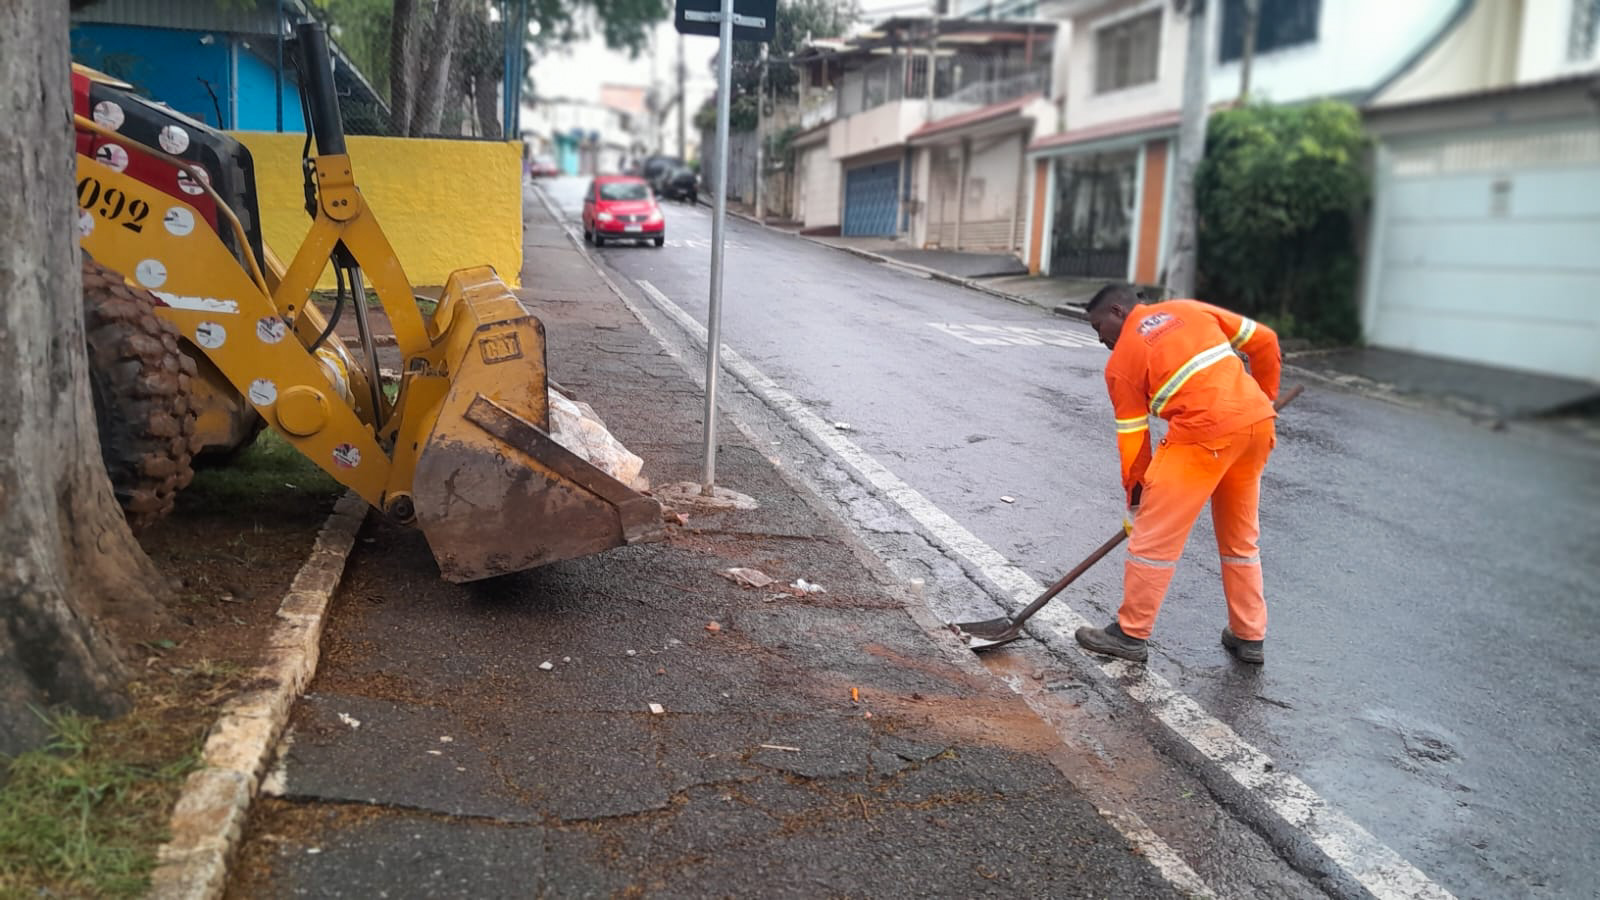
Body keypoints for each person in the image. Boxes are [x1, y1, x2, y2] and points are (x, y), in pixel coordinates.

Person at [1074, 284, 1281, 665]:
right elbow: (1265, 340)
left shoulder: (1121, 363)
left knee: (1152, 541)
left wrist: (1137, 505)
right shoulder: (1190, 309)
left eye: (1098, 326)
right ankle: (1249, 634)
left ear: (1118, 311)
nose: (1100, 338)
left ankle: (1131, 634)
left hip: (1202, 437)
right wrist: (1265, 398)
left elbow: (1134, 443)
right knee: (1240, 540)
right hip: (1256, 428)